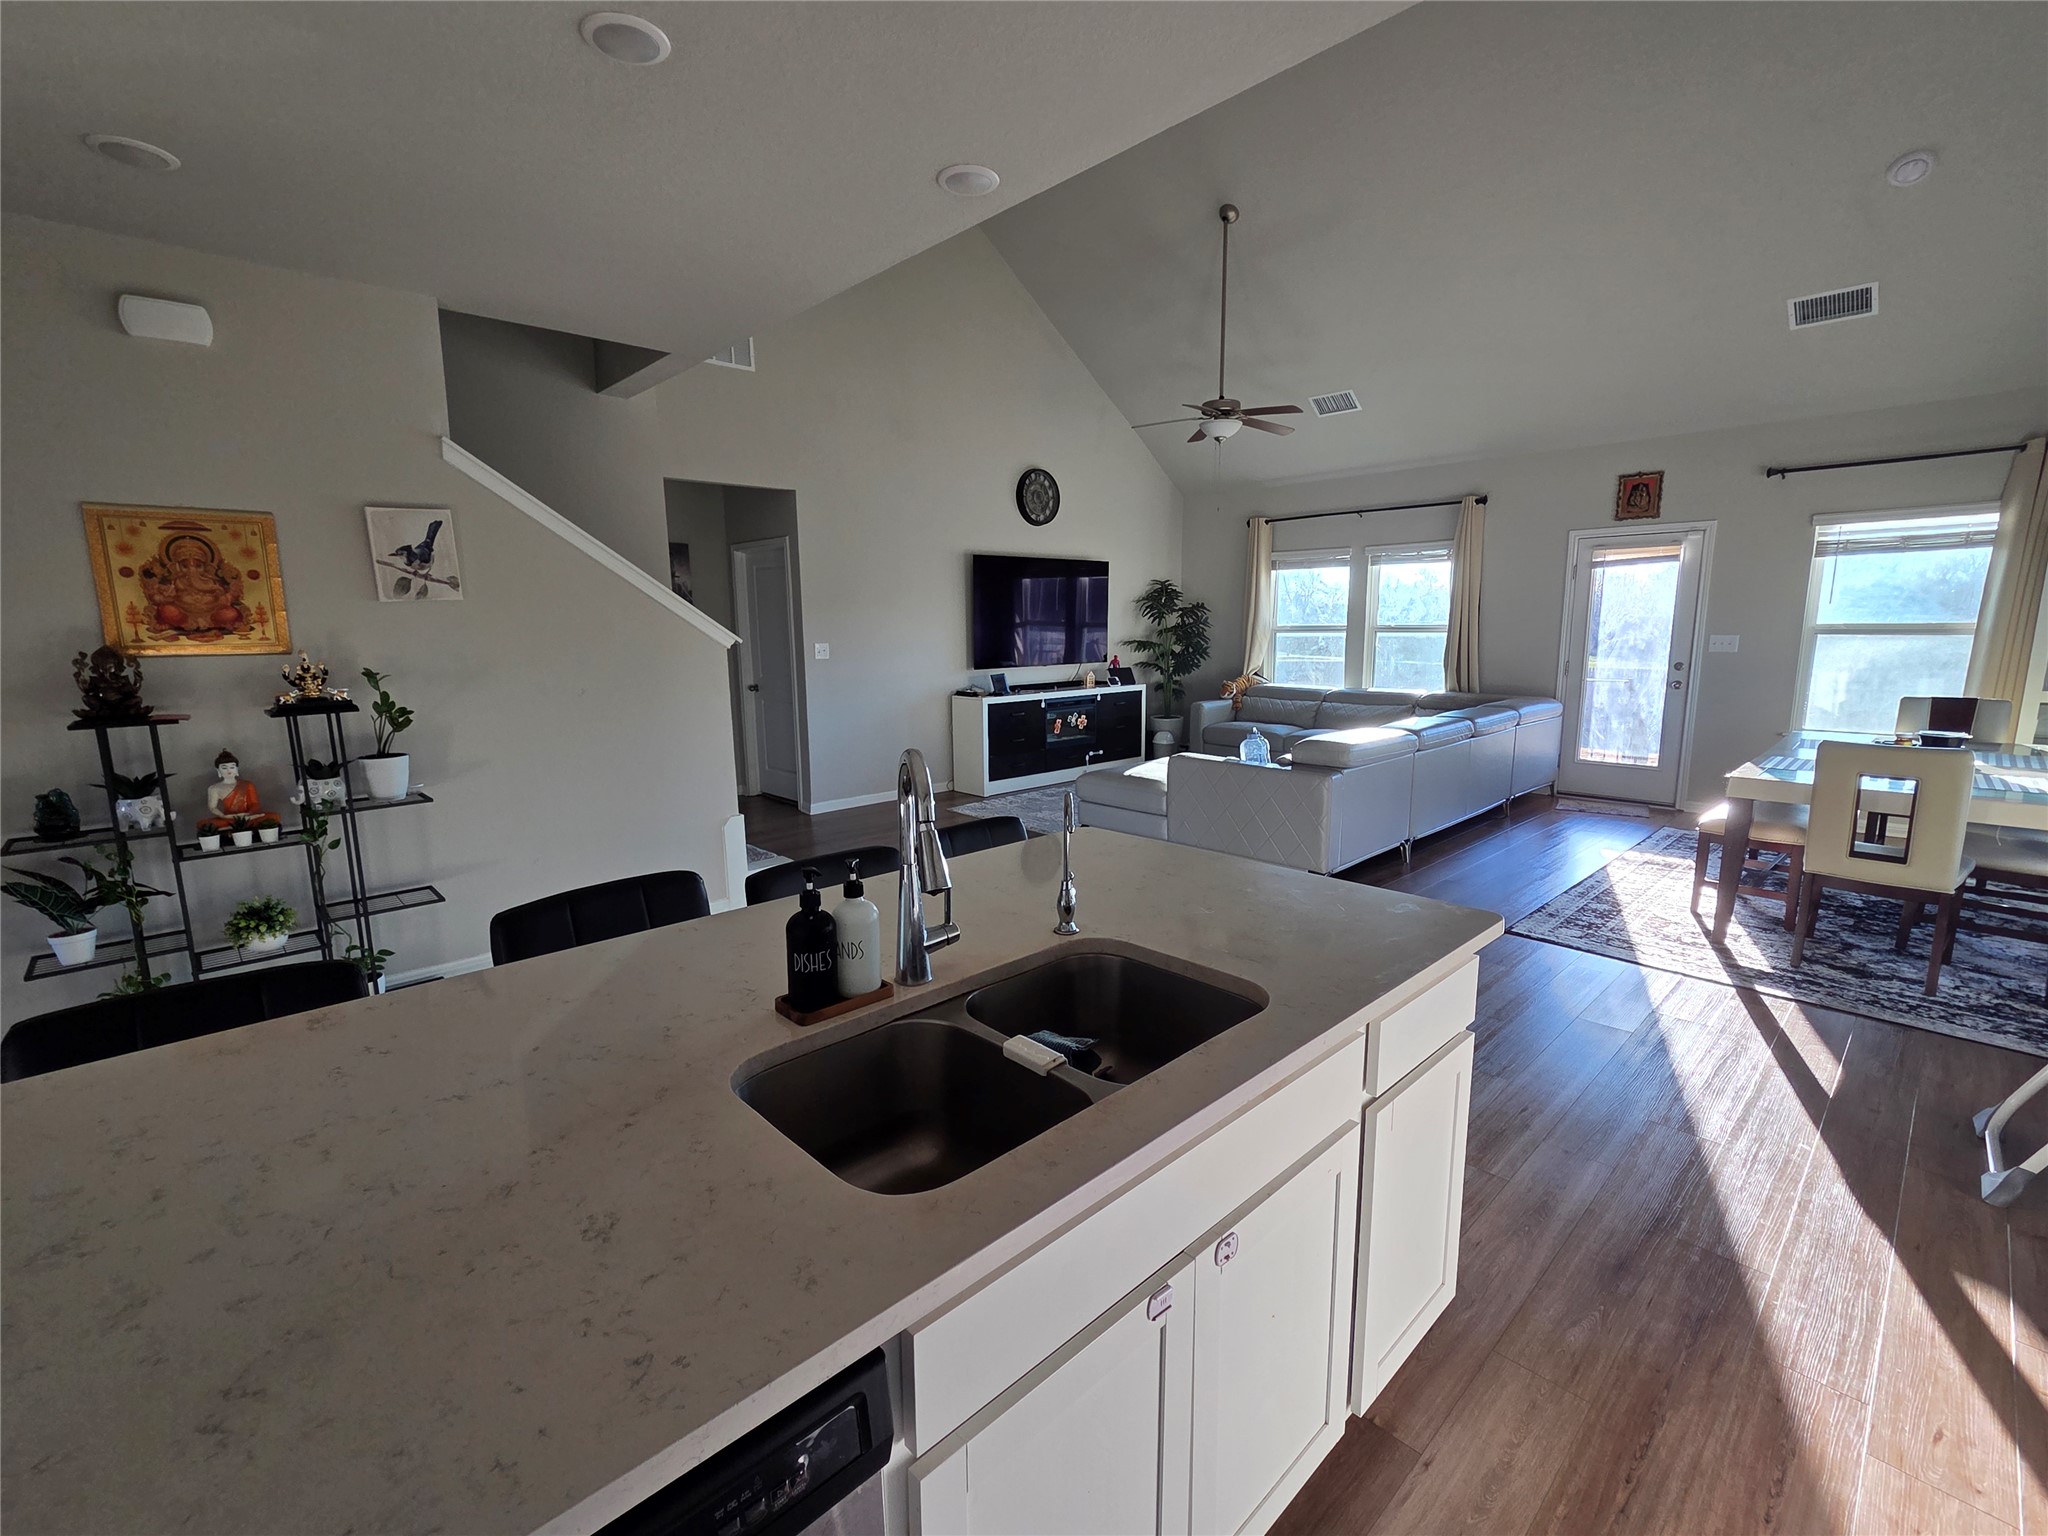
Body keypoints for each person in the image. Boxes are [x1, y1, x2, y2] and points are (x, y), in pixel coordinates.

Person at [204, 749, 263, 825]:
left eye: (232, 767)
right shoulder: (214, 788)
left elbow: (255, 804)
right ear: (218, 770)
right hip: (229, 818)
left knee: (272, 817)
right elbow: (212, 808)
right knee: (206, 824)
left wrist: (248, 814)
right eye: (224, 768)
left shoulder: (247, 784)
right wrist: (224, 816)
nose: (229, 770)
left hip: (249, 816)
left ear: (237, 769)